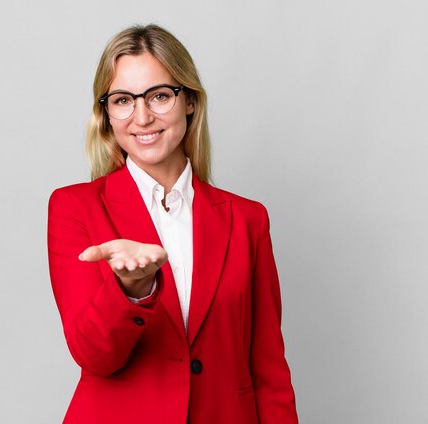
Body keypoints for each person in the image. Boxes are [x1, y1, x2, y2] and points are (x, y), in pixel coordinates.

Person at [47, 24, 298, 423]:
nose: (142, 117)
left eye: (160, 96)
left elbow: (268, 369)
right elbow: (93, 356)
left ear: (190, 102)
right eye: (123, 100)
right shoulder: (74, 207)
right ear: (107, 115)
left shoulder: (248, 219)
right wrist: (130, 290)